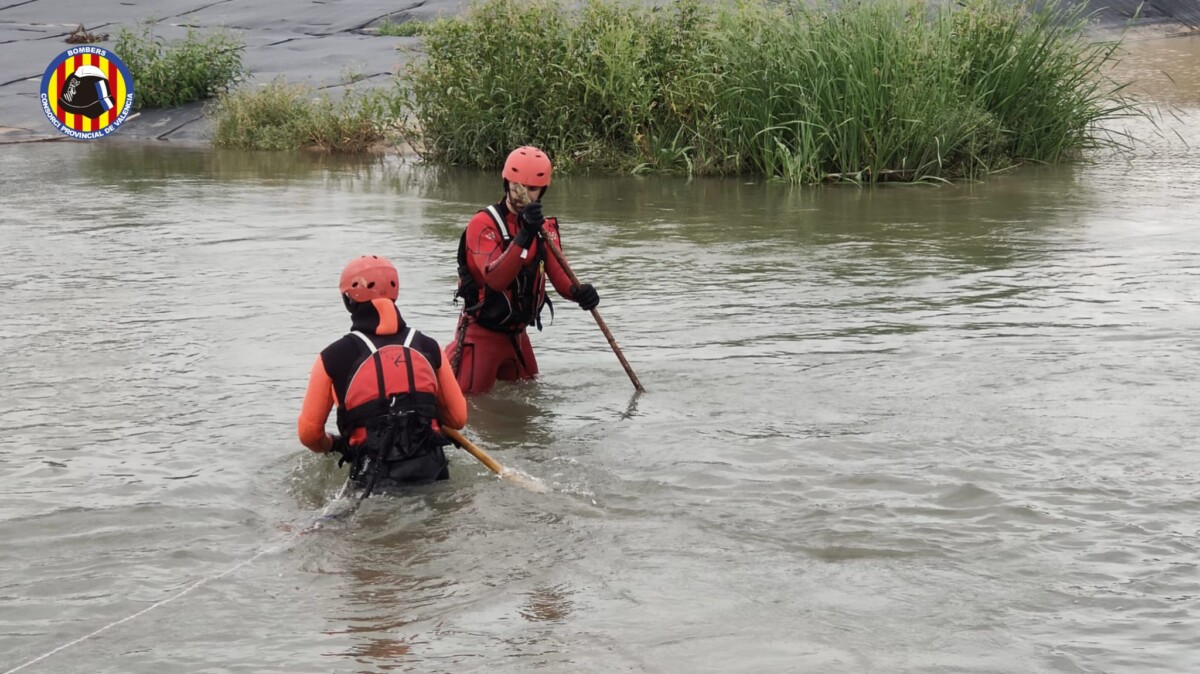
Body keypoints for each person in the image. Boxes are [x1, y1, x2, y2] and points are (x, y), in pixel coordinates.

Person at [298, 255, 468, 491]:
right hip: (432, 471)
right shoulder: (429, 347)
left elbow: (309, 435)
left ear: (348, 300)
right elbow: (457, 419)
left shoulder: (331, 358)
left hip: (372, 480)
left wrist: (333, 444)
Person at [445, 145, 601, 394]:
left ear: (543, 190)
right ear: (506, 183)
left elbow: (560, 276)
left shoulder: (544, 229)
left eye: (532, 189)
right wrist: (525, 234)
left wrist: (579, 292)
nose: (523, 195)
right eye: (517, 187)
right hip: (481, 334)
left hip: (517, 336)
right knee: (472, 404)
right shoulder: (483, 224)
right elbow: (495, 279)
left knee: (531, 399)